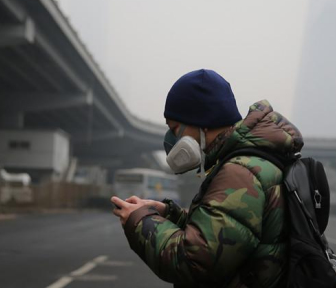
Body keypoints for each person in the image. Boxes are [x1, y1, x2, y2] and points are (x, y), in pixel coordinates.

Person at [111, 69, 303, 288]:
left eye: (174, 128)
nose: (171, 139)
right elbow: (227, 230)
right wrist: (168, 213)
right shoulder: (251, 163)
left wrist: (140, 221)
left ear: (200, 121)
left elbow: (193, 262)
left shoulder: (240, 172)